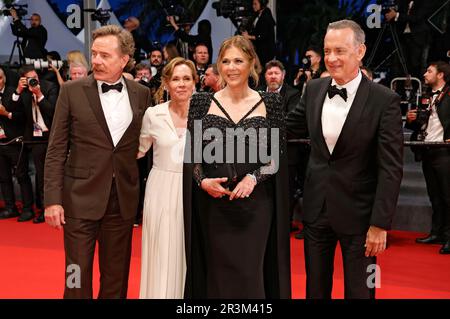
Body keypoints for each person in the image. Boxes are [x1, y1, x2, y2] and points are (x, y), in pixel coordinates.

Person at [286, 20, 404, 299]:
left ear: (360, 51)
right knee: (315, 290)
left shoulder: (384, 100)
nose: (331, 58)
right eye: (327, 51)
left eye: (340, 50)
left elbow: (391, 168)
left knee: (363, 290)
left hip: (361, 218)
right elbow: (286, 127)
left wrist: (380, 224)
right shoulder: (314, 89)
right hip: (316, 211)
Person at [44, 25, 152, 299]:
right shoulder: (71, 91)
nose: (96, 61)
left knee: (117, 274)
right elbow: (56, 148)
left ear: (124, 59)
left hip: (122, 200)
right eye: (94, 54)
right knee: (75, 274)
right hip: (79, 199)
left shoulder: (141, 93)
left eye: (105, 55)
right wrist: (52, 199)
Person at [183, 35, 290, 298]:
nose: (231, 67)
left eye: (238, 61)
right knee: (217, 274)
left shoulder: (271, 103)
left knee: (250, 273)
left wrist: (253, 177)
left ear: (252, 63)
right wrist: (202, 181)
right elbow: (192, 157)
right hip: (213, 206)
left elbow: (276, 157)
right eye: (226, 61)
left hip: (256, 206)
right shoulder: (200, 102)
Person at [139, 57, 197, 298]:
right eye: (175, 79)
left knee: (189, 251)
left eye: (186, 78)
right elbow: (137, 151)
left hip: (194, 189)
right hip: (161, 189)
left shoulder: (207, 114)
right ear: (166, 83)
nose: (181, 84)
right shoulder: (153, 114)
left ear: (195, 82)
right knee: (162, 251)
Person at [405, 61, 450, 254]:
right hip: (427, 149)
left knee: (448, 196)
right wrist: (411, 120)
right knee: (435, 195)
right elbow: (421, 125)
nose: (424, 74)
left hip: (445, 151)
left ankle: (449, 236)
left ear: (441, 75)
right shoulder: (424, 96)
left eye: (429, 71)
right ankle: (437, 232)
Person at [10, 65, 58, 223]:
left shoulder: (49, 87)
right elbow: (12, 110)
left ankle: (46, 208)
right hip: (30, 137)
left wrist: (39, 95)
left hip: (48, 136)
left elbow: (52, 111)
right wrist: (17, 91)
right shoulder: (22, 90)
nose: (33, 81)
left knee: (44, 175)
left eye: (35, 77)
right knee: (27, 173)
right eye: (30, 78)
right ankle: (30, 208)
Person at [263, 60, 304, 236]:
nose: (273, 76)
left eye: (276, 73)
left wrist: (264, 127)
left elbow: (293, 122)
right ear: (265, 76)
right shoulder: (256, 93)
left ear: (283, 75)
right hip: (260, 152)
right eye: (270, 73)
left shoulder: (293, 94)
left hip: (286, 152)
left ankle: (283, 226)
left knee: (285, 192)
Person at [0, 67, 34, 221]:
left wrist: (6, 113)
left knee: (22, 175)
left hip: (15, 141)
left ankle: (28, 209)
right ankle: (10, 207)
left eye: (0, 78)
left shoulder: (15, 92)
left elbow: (23, 116)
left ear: (4, 79)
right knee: (3, 177)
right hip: (0, 144)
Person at [384, 1, 438, 78]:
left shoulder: (424, 2)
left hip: (417, 37)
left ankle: (416, 87)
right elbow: (399, 16)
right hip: (402, 36)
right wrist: (393, 15)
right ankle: (400, 86)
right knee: (400, 62)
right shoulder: (404, 2)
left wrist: (396, 15)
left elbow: (416, 17)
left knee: (415, 63)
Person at [242, 0, 276, 67]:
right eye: (253, 4)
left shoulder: (266, 16)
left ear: (262, 4)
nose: (253, 6)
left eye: (255, 4)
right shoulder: (258, 14)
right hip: (260, 49)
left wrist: (249, 37)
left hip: (265, 51)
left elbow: (263, 36)